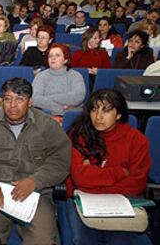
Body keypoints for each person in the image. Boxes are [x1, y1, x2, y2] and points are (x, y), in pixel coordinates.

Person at [0, 77, 71, 244]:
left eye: (20, 99)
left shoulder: (47, 125)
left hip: (36, 193)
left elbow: (60, 161)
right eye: (7, 99)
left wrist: (34, 181)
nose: (12, 105)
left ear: (30, 102)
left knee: (42, 240)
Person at [65, 89, 151, 245]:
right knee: (83, 240)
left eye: (106, 111)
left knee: (119, 241)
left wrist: (93, 177)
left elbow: (137, 184)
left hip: (122, 201)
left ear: (118, 115)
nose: (98, 117)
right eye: (94, 110)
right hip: (82, 200)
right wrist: (119, 172)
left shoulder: (136, 140)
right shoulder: (78, 135)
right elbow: (79, 177)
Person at [32, 43, 86, 116]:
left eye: (57, 55)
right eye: (50, 56)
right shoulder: (41, 76)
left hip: (70, 116)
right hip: (46, 116)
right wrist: (59, 108)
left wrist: (48, 98)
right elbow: (35, 99)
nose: (53, 58)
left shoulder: (76, 76)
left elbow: (78, 96)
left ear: (65, 60)